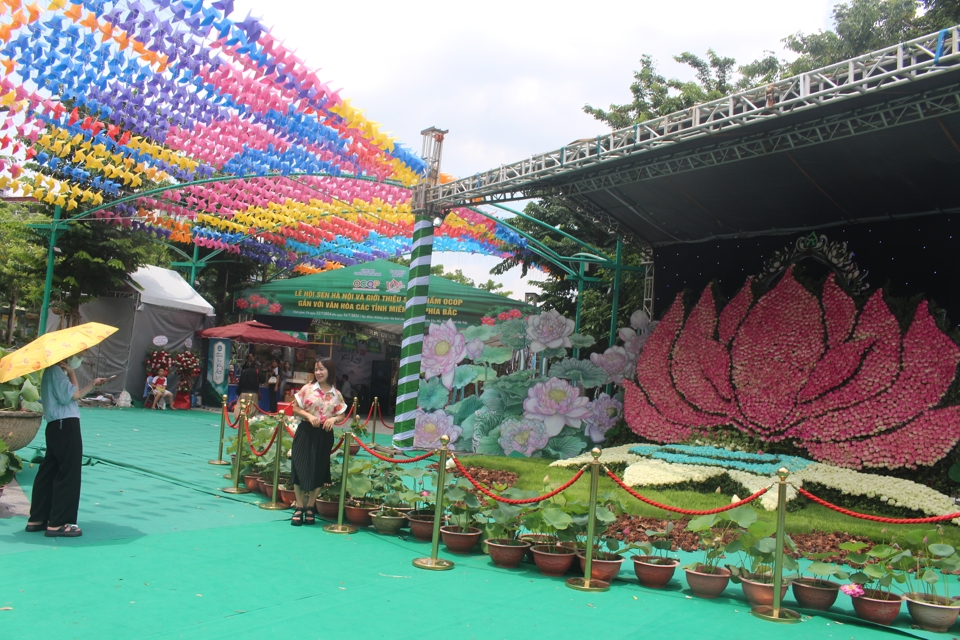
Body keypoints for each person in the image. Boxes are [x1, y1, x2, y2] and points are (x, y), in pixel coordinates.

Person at [25, 355, 107, 537]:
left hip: (56, 425)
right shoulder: (56, 372)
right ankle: (58, 523)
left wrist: (92, 384)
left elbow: (74, 396)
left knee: (49, 471)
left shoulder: (52, 373)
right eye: (75, 356)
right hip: (65, 424)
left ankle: (37, 518)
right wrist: (72, 373)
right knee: (68, 472)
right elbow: (73, 395)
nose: (78, 359)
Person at [289, 359, 346, 526]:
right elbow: (295, 408)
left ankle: (310, 507)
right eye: (316, 369)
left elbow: (341, 413)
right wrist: (309, 416)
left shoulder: (336, 394)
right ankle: (299, 506)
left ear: (329, 371)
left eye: (322, 369)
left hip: (324, 434)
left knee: (319, 469)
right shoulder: (307, 389)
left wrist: (334, 419)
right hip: (305, 432)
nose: (319, 373)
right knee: (299, 466)